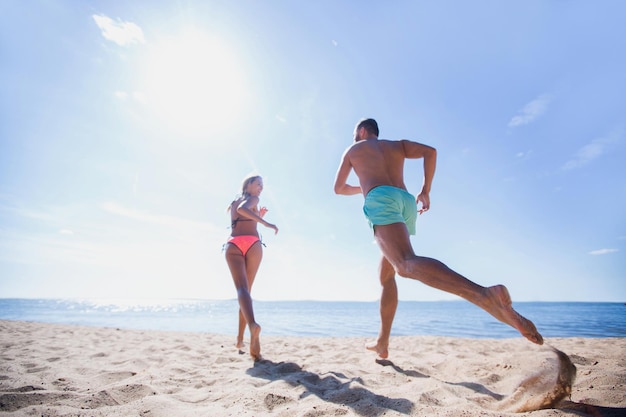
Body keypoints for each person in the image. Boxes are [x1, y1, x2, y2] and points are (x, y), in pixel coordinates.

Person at [333, 118, 543, 359]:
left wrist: (364, 186)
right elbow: (430, 152)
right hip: (406, 201)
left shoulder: (353, 149)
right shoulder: (397, 146)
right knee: (387, 273)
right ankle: (382, 342)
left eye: (354, 134)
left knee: (404, 264)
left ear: (361, 131)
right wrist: (425, 191)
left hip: (381, 198)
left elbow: (338, 188)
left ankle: (483, 294)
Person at [225, 175, 278, 360]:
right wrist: (265, 222)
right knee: (246, 291)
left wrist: (258, 216)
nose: (261, 187)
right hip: (253, 244)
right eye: (258, 184)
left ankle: (241, 339)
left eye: (263, 185)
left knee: (242, 292)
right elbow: (244, 209)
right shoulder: (252, 199)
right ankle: (251, 326)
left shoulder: (234, 202)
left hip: (234, 244)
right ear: (247, 185)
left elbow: (241, 214)